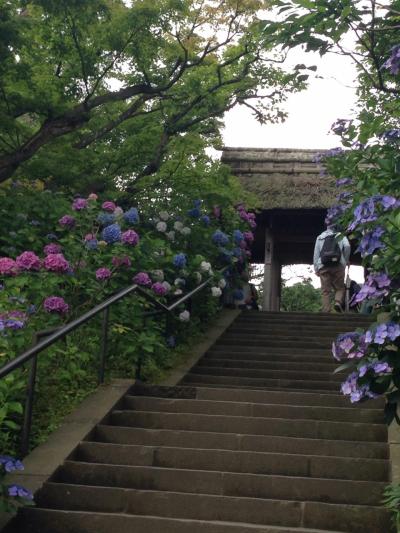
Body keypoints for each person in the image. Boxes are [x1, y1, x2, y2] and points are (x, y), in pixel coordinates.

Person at [313, 220, 351, 313]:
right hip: (338, 265)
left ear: (327, 226)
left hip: (323, 265)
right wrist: (345, 261)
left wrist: (316, 268)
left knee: (325, 290)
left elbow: (316, 254)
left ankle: (326, 310)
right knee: (340, 287)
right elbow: (347, 246)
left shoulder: (320, 237)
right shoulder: (340, 235)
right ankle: (337, 302)